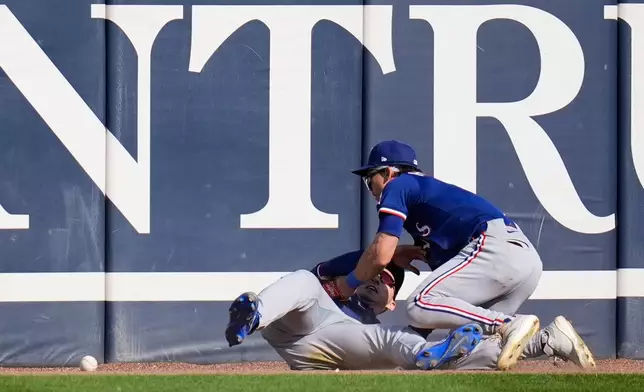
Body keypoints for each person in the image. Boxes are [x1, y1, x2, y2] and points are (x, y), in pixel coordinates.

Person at [330, 139, 551, 370]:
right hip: (525, 261)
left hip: (495, 246)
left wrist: (348, 285)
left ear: (387, 173)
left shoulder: (397, 185)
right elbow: (438, 309)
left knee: (418, 303)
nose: (371, 189)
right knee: (468, 347)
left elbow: (380, 255)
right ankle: (550, 340)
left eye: (369, 180)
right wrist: (407, 345)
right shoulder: (426, 204)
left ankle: (508, 323)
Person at [224, 250, 596, 371]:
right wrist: (390, 255)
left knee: (404, 342)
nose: (374, 280)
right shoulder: (334, 283)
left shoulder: (382, 319)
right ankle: (254, 313)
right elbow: (362, 262)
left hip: (328, 351)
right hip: (295, 322)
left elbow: (385, 333)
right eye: (374, 274)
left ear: (392, 302)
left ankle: (547, 341)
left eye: (385, 281)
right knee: (304, 281)